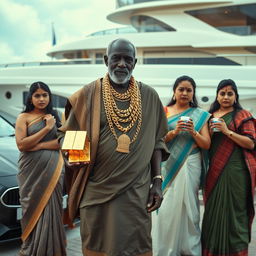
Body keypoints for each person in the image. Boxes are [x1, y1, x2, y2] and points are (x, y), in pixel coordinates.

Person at [58, 38, 169, 256]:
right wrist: (73, 155)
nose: (121, 64)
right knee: (97, 244)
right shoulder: (87, 95)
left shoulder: (150, 96)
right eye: (116, 58)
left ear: (135, 63)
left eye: (128, 59)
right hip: (96, 189)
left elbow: (157, 141)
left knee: (135, 246)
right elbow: (69, 134)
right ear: (106, 59)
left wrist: (157, 182)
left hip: (136, 192)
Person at [152, 75, 211, 256]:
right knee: (167, 208)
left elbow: (206, 144)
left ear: (193, 94)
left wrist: (193, 131)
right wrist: (174, 132)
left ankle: (189, 249)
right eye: (181, 89)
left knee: (190, 208)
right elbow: (156, 140)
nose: (184, 93)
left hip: (190, 164)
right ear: (174, 91)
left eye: (189, 90)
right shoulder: (164, 111)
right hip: (168, 166)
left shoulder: (200, 115)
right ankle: (165, 250)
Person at [201, 79, 256, 256]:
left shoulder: (243, 115)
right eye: (222, 93)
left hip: (237, 172)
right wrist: (208, 131)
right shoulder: (208, 116)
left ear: (235, 96)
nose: (225, 96)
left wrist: (226, 131)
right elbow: (206, 145)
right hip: (214, 171)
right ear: (217, 95)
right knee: (212, 214)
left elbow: (251, 143)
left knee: (236, 214)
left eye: (230, 93)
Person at [15, 81, 66, 256]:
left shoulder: (56, 115)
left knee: (53, 209)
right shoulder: (24, 118)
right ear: (31, 98)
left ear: (49, 96)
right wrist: (47, 129)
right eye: (37, 95)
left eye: (45, 95)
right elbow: (22, 145)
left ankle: (52, 250)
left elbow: (61, 142)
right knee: (30, 207)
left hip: (53, 171)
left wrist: (37, 146)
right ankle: (32, 249)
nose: (42, 99)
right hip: (30, 173)